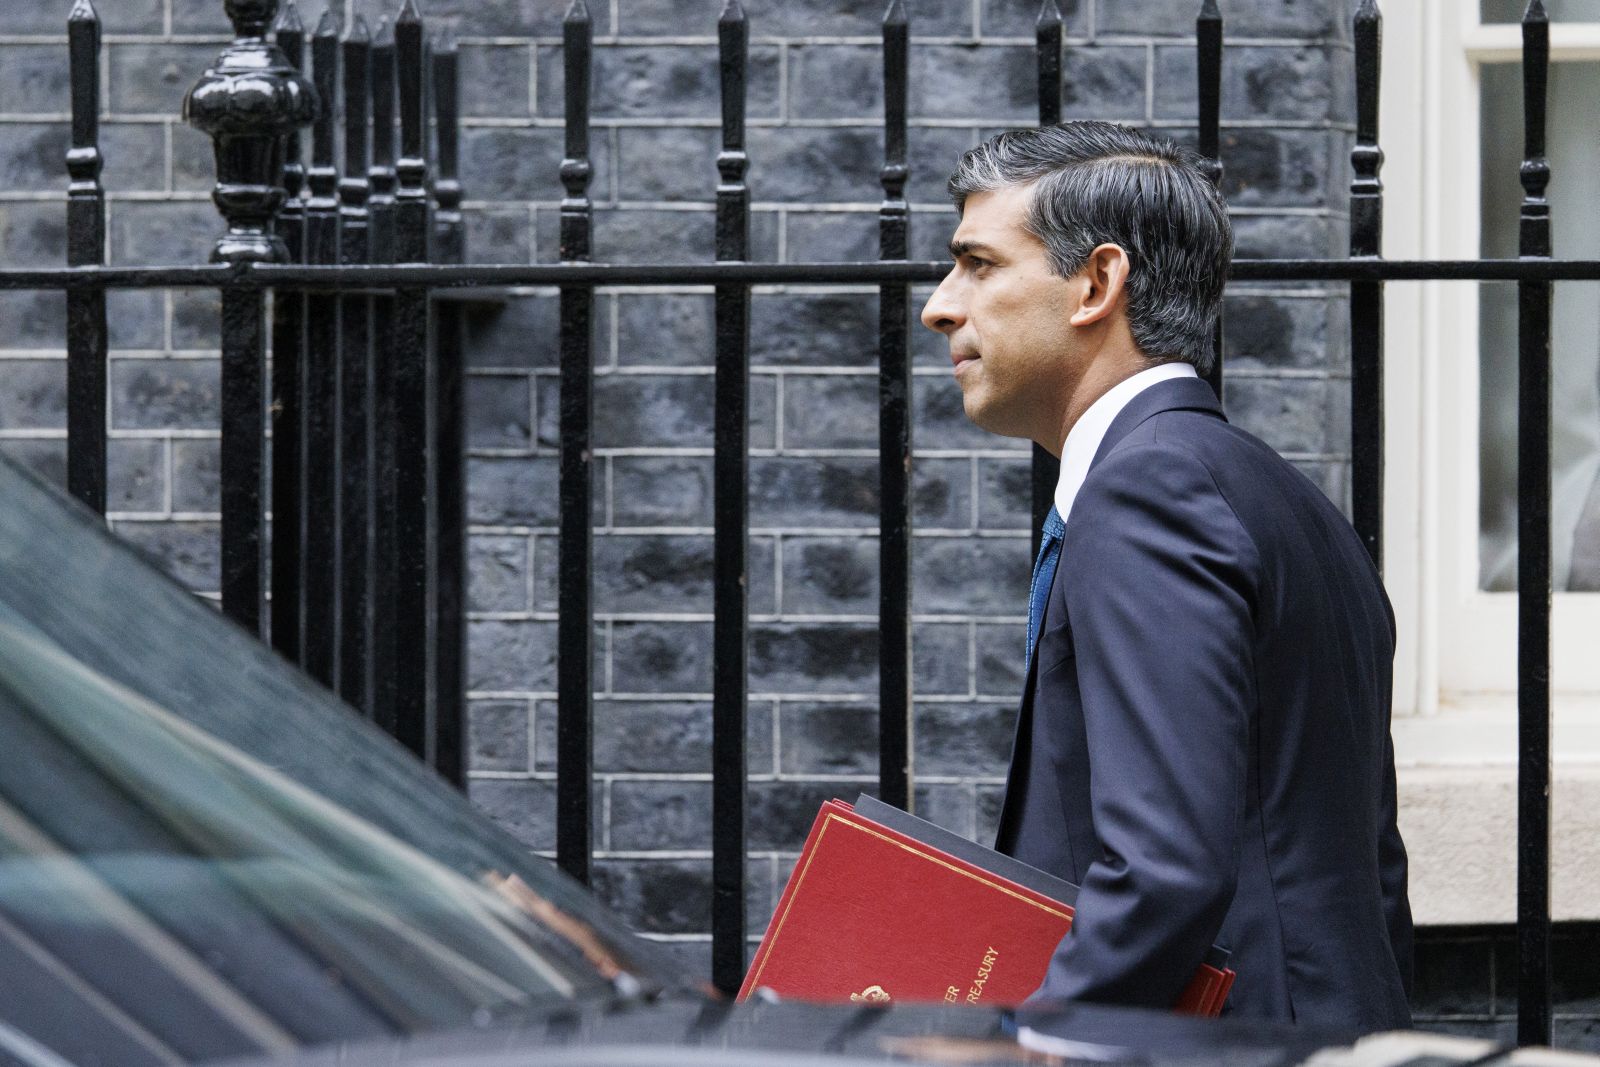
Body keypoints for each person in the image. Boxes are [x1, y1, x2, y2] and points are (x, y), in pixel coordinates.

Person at [919, 121, 1414, 1031]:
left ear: (1096, 284)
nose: (941, 307)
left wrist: (1025, 1041)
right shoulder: (1281, 496)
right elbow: (1369, 865)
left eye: (979, 265)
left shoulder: (1148, 489)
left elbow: (1163, 867)